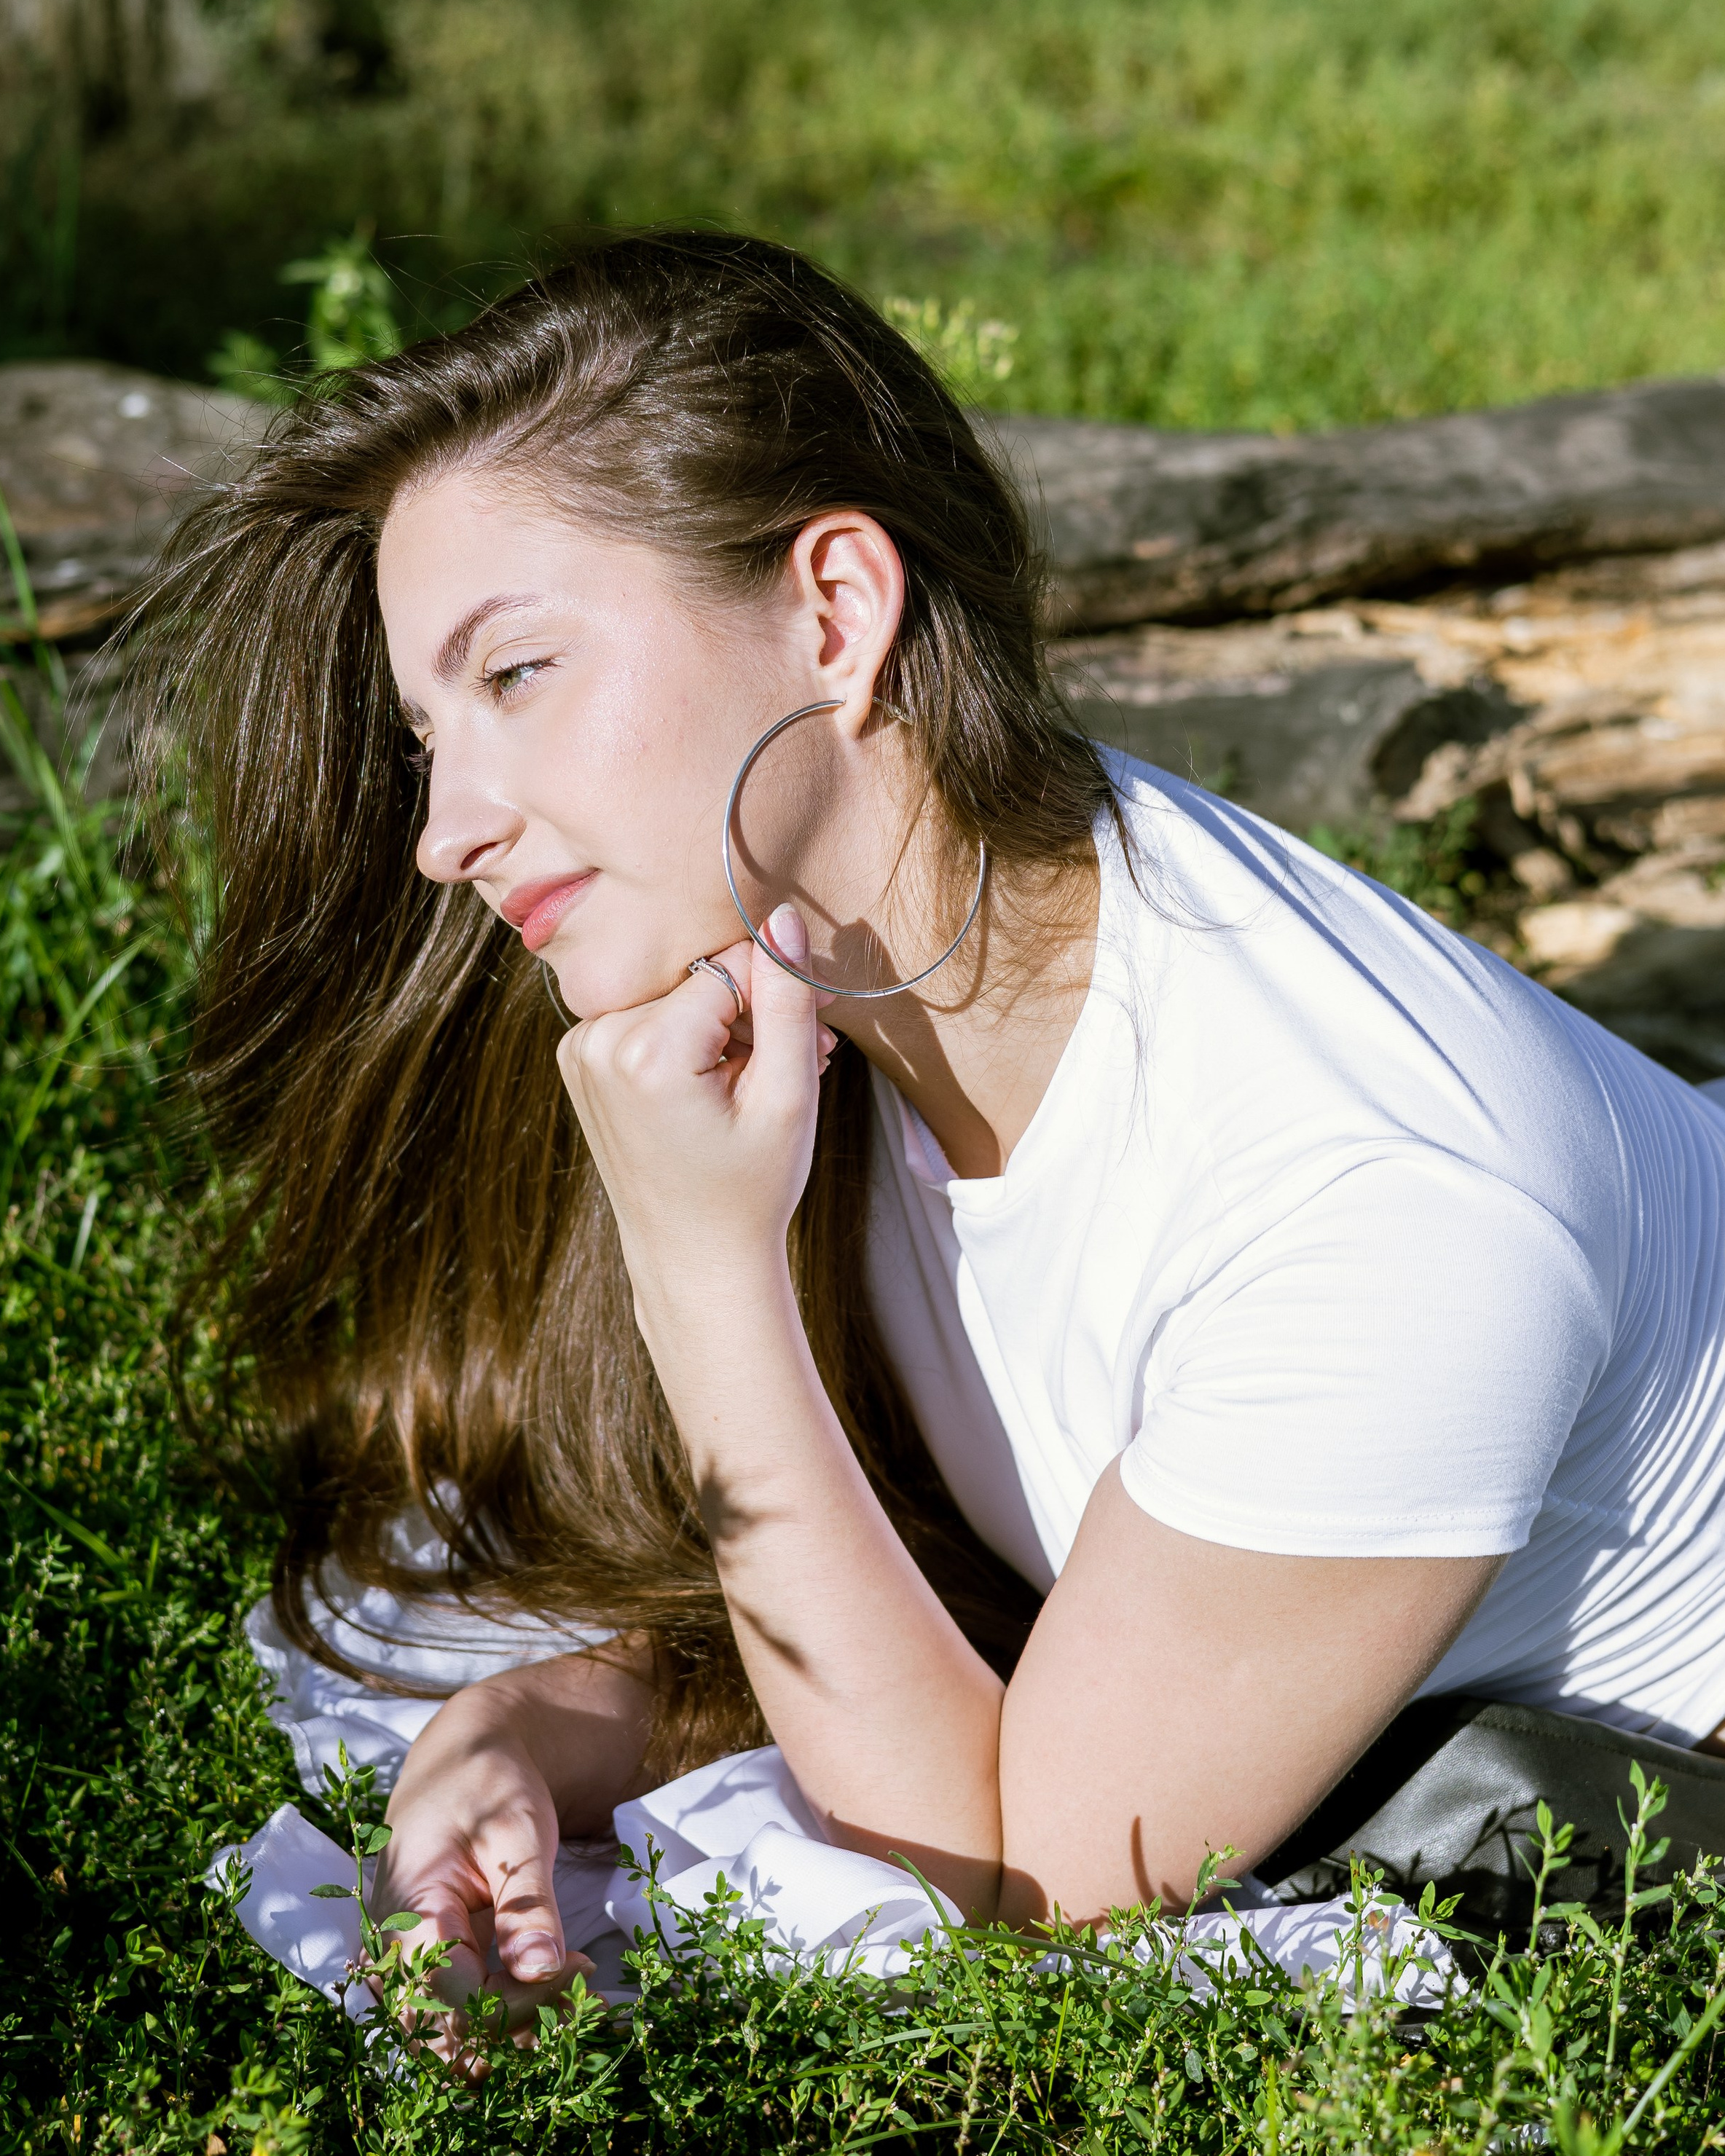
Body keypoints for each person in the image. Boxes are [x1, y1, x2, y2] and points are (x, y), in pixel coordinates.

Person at [140, 230, 1725, 2039]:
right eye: (432, 733)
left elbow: (1010, 1885)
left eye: (517, 679)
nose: (446, 830)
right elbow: (888, 1598)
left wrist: (699, 1265)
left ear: (832, 613)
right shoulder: (861, 959)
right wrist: (504, 1733)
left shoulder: (1375, 1217)